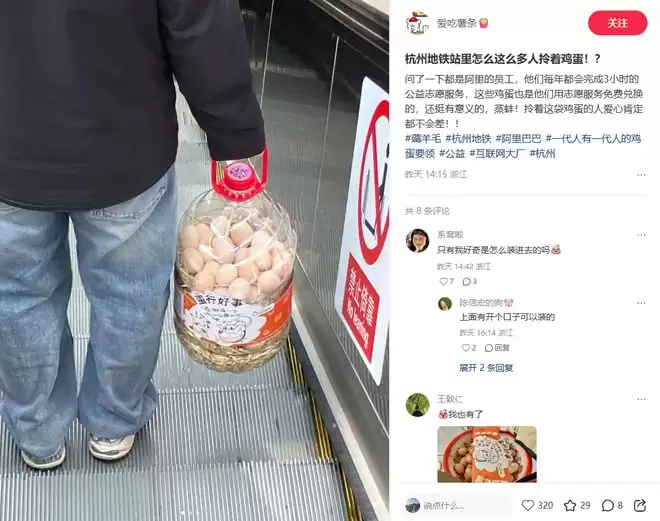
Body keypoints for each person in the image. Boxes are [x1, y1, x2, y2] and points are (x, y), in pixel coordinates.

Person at [0, 0, 265, 470]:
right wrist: (235, 132)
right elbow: (198, 19)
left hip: (10, 153)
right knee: (130, 296)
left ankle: (37, 432)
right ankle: (114, 420)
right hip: (124, 148)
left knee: (18, 297)